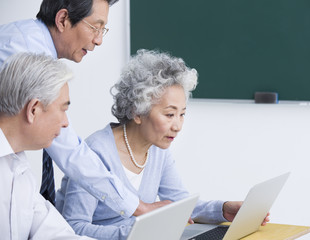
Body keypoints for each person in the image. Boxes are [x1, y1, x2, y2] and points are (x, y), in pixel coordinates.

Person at [56, 49, 270, 239]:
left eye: (182, 114)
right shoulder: (96, 151)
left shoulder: (157, 148)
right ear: (137, 112)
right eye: (169, 114)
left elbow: (179, 205)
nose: (177, 126)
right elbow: (74, 227)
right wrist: (136, 232)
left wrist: (222, 210)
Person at [0, 0, 161, 217]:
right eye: (96, 27)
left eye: (103, 30)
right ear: (63, 19)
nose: (99, 40)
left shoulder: (33, 45)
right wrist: (136, 207)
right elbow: (67, 149)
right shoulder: (21, 51)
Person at [0, 52, 94, 239]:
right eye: (63, 109)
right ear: (33, 109)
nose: (66, 122)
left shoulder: (18, 168)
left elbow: (55, 234)